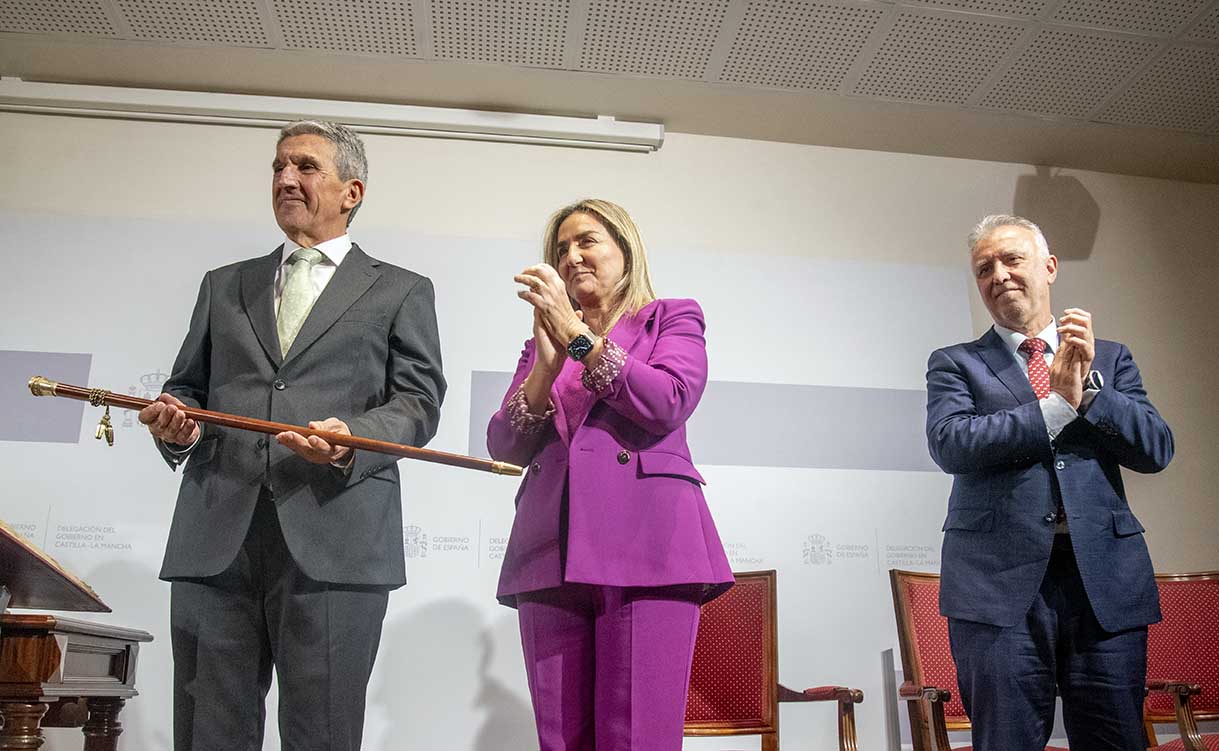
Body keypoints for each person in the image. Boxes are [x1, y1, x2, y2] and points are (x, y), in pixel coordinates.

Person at [138, 119, 445, 751]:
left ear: (352, 192)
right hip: (215, 537)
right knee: (208, 735)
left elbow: (417, 403)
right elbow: (187, 388)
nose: (285, 178)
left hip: (337, 539)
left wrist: (351, 438)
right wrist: (178, 426)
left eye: (305, 166)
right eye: (278, 166)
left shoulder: (401, 289)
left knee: (322, 736)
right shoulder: (224, 284)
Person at [487, 198, 733, 750]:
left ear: (625, 250)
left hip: (649, 551)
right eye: (561, 249)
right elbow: (505, 445)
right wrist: (546, 364)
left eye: (587, 241)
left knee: (637, 737)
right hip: (549, 553)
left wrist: (577, 336)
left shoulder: (672, 317)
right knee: (560, 739)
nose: (572, 257)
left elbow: (668, 401)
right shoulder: (542, 345)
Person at [925, 214, 1173, 749]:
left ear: (1050, 267)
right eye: (984, 268)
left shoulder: (1109, 358)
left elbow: (1156, 449)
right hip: (997, 586)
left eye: (1012, 260)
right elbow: (952, 444)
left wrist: (1089, 394)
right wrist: (1057, 406)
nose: (999, 275)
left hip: (1103, 581)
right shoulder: (956, 363)